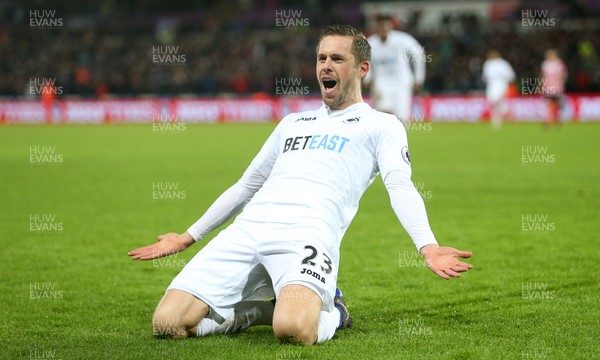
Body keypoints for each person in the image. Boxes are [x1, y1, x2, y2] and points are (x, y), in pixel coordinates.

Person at [128, 24, 473, 346]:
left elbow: (399, 186)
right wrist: (187, 237)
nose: (326, 66)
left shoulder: (382, 125)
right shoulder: (293, 122)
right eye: (321, 58)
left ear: (362, 69)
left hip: (307, 235)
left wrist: (427, 246)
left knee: (293, 330)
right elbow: (246, 186)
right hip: (249, 230)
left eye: (337, 59)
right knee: (168, 324)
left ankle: (333, 310)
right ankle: (251, 312)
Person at [364, 14, 426, 122]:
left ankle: (401, 138)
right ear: (376, 27)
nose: (383, 28)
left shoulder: (403, 39)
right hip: (381, 83)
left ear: (390, 26)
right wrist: (367, 78)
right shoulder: (370, 43)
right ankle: (384, 138)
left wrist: (418, 78)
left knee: (402, 116)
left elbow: (419, 54)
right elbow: (364, 61)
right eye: (380, 25)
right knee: (383, 114)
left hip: (402, 83)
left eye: (385, 25)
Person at [482, 49, 515, 128]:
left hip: (501, 83)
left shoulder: (503, 64)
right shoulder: (487, 64)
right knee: (492, 102)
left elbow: (511, 75)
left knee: (497, 100)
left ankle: (502, 113)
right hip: (491, 84)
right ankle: (498, 117)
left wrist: (504, 78)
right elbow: (485, 76)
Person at [541, 49, 567, 126]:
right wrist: (542, 85)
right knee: (548, 103)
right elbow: (543, 75)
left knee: (558, 103)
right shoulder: (545, 64)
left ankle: (557, 119)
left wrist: (560, 84)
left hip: (557, 87)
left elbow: (562, 76)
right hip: (548, 86)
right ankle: (549, 119)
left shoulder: (559, 64)